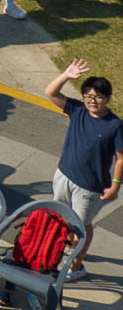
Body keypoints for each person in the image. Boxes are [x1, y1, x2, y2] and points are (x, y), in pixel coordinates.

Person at [47, 60, 123, 277]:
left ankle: (76, 265)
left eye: (98, 97)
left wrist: (115, 186)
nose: (92, 101)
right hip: (64, 175)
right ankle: (62, 250)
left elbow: (121, 158)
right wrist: (66, 76)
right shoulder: (78, 109)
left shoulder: (115, 125)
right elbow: (51, 93)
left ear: (108, 98)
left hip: (89, 187)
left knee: (81, 226)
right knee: (60, 216)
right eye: (88, 96)